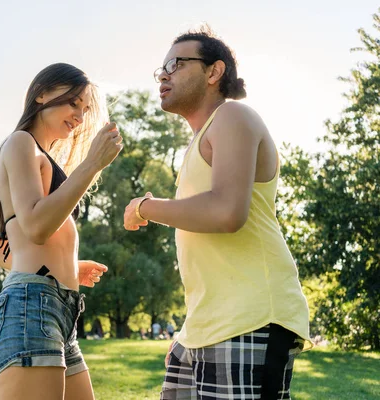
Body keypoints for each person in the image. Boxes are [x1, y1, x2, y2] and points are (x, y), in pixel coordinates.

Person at [123, 27, 312, 399]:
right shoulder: (200, 141)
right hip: (206, 327)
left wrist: (145, 207)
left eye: (176, 64)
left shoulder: (233, 117)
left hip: (252, 318)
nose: (164, 74)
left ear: (214, 72)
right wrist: (189, 331)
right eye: (161, 68)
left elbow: (227, 212)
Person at [0, 62, 122, 400]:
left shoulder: (39, 158)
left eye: (85, 109)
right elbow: (36, 226)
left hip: (60, 312)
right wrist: (92, 164)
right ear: (42, 93)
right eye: (74, 102)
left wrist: (70, 269)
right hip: (32, 307)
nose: (79, 115)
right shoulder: (20, 143)